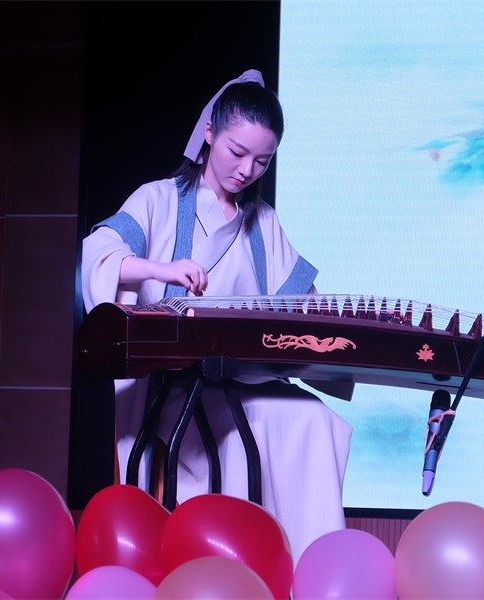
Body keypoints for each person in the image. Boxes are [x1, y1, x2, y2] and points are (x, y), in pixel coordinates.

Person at [81, 69, 353, 564]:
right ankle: (228, 561)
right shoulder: (159, 199)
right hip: (173, 391)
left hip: (239, 384)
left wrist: (349, 321)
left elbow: (301, 300)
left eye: (262, 161)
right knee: (248, 428)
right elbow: (98, 252)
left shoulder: (262, 222)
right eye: (237, 152)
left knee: (313, 418)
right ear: (209, 132)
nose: (247, 171)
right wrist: (162, 268)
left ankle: (305, 569)